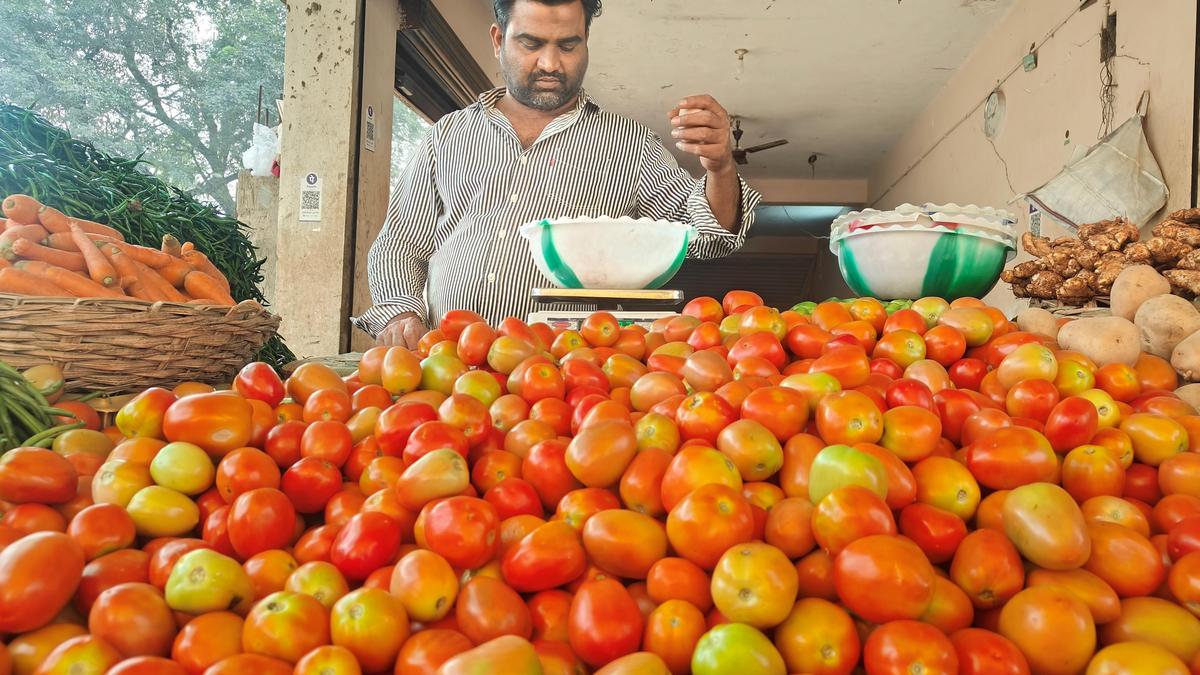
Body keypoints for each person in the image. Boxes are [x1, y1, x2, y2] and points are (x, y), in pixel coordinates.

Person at [354, 0, 763, 349]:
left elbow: (706, 237)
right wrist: (400, 313)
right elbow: (399, 246)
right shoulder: (449, 135)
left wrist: (721, 167)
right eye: (530, 44)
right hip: (458, 367)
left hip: (570, 379)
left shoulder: (629, 143)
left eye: (568, 45)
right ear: (499, 40)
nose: (550, 63)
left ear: (586, 42)